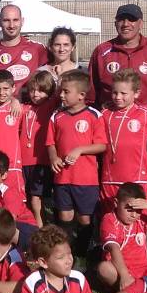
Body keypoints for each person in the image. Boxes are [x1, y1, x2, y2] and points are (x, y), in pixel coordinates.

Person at [88, 4, 147, 201]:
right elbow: (92, 92)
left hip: (145, 130)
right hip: (110, 129)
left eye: (131, 19)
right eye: (122, 19)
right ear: (115, 22)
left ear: (141, 23)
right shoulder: (102, 51)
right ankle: (108, 224)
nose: (126, 24)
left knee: (146, 175)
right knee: (108, 174)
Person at [47, 69, 105, 255]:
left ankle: (82, 252)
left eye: (65, 91)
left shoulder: (94, 115)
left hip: (86, 179)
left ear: (81, 95)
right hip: (63, 177)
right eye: (61, 91)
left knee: (84, 218)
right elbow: (50, 142)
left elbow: (102, 145)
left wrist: (80, 149)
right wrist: (53, 157)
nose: (61, 95)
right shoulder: (57, 115)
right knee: (65, 215)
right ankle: (66, 251)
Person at [99, 69, 147, 206]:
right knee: (110, 219)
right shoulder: (105, 113)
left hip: (137, 179)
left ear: (137, 93)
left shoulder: (146, 113)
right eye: (115, 92)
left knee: (139, 220)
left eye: (123, 93)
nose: (118, 97)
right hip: (109, 178)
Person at [97, 183, 147, 292]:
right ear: (116, 203)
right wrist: (124, 275)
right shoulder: (109, 219)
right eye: (129, 209)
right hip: (120, 271)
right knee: (104, 269)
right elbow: (113, 248)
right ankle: (137, 291)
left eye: (138, 210)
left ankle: (140, 291)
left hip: (144, 271)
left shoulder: (141, 219)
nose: (134, 215)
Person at [0, 4, 49, 96]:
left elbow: (50, 79)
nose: (11, 25)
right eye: (6, 20)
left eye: (15, 20)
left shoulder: (38, 49)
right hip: (4, 109)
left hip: (34, 108)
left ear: (22, 21)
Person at [21, 71, 60, 229]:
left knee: (36, 198)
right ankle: (31, 225)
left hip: (41, 160)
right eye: (32, 90)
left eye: (41, 90)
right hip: (23, 161)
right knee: (27, 197)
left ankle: (40, 227)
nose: (36, 94)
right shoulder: (24, 108)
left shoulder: (50, 106)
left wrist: (57, 76)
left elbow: (58, 94)